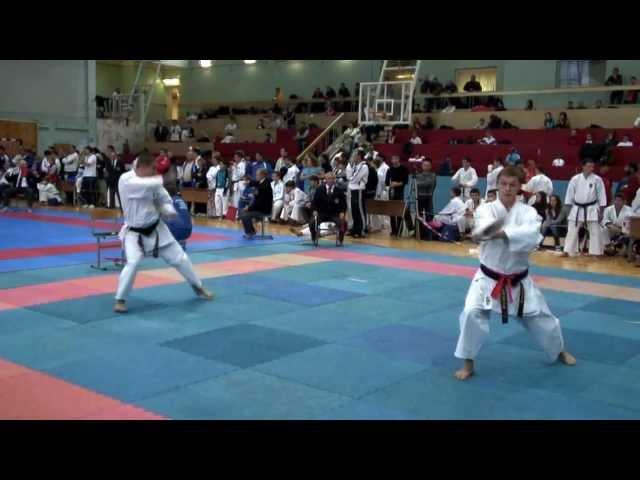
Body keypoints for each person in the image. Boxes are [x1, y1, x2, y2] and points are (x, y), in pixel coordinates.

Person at [454, 166, 576, 380]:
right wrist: (492, 232)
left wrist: (500, 233)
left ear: (520, 187)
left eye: (512, 185)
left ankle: (558, 350)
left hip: (519, 280)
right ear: (497, 185)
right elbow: (482, 229)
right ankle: (468, 363)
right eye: (503, 184)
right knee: (471, 313)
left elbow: (532, 237)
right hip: (487, 279)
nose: (507, 189)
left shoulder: (529, 212)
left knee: (544, 319)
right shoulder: (486, 208)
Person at [113, 153, 213, 313]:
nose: (154, 172)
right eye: (152, 169)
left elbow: (165, 200)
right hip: (134, 233)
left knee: (181, 258)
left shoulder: (153, 181)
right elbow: (143, 189)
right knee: (133, 263)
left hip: (157, 229)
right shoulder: (126, 179)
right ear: (142, 168)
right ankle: (120, 299)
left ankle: (198, 287)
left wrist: (168, 210)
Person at [562, 159, 607, 257]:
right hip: (577, 208)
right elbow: (569, 196)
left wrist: (601, 212)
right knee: (572, 230)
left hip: (592, 207)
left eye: (592, 167)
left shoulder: (597, 179)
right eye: (589, 166)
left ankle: (596, 253)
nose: (591, 169)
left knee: (595, 230)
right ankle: (568, 251)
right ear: (583, 166)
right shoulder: (575, 179)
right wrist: (568, 211)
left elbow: (602, 196)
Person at [308, 172, 348, 245]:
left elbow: (344, 204)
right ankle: (314, 237)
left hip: (334, 214)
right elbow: (314, 203)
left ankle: (340, 239)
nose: (330, 180)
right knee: (312, 222)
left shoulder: (339, 191)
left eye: (332, 179)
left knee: (343, 222)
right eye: (329, 179)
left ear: (334, 180)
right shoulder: (319, 189)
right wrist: (314, 210)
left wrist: (342, 212)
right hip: (321, 213)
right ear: (325, 180)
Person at [238, 168, 273, 238]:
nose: (256, 176)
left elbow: (259, 202)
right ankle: (251, 231)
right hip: (259, 207)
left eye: (257, 175)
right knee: (242, 213)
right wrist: (249, 183)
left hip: (263, 209)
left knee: (245, 215)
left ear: (262, 175)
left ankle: (250, 232)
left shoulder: (265, 186)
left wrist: (249, 208)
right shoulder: (263, 182)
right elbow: (256, 182)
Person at [347, 149, 369, 238]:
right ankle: (354, 228)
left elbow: (353, 179)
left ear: (359, 156)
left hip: (359, 190)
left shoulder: (363, 166)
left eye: (354, 155)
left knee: (360, 210)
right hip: (352, 189)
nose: (352, 157)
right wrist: (350, 165)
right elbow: (348, 176)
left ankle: (362, 229)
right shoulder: (353, 166)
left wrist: (350, 178)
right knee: (353, 210)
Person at [414, 159, 437, 240]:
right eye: (424, 165)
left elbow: (429, 183)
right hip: (419, 198)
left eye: (427, 165)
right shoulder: (418, 175)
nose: (426, 166)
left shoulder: (433, 175)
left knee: (429, 216)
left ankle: (429, 236)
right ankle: (419, 234)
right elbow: (415, 184)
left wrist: (420, 183)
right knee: (418, 216)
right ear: (422, 166)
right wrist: (421, 183)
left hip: (428, 198)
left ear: (430, 166)